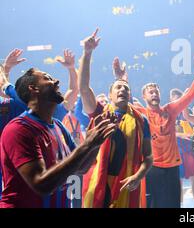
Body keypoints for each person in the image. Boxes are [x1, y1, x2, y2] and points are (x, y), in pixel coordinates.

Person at [0, 68, 117, 208]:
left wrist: (97, 141)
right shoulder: (19, 129)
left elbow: (82, 167)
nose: (56, 81)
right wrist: (87, 144)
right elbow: (41, 185)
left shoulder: (58, 126)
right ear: (33, 88)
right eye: (48, 78)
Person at [79, 29, 152, 208]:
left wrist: (139, 176)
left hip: (128, 185)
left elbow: (149, 157)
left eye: (126, 88)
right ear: (110, 95)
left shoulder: (141, 120)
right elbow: (84, 88)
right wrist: (87, 53)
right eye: (118, 88)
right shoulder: (99, 113)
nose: (122, 90)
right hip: (98, 184)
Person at [135, 54, 194, 208]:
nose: (154, 94)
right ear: (143, 96)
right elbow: (121, 105)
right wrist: (120, 79)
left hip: (172, 168)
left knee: (173, 205)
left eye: (156, 91)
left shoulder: (170, 110)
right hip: (151, 168)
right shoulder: (140, 113)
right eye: (151, 92)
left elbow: (189, 96)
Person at [170, 89, 194, 208]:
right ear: (171, 100)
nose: (179, 101)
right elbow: (167, 133)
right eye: (176, 99)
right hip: (176, 152)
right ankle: (180, 206)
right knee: (178, 181)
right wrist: (182, 135)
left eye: (181, 99)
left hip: (189, 151)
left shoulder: (187, 114)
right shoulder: (169, 114)